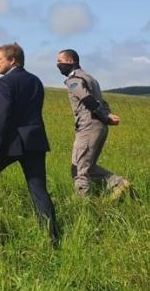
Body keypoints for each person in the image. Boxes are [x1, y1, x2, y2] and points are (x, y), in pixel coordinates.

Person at [0, 43, 59, 245]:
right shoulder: (36, 81)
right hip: (35, 142)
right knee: (38, 189)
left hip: (12, 142)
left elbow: (4, 115)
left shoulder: (6, 82)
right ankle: (52, 237)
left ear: (12, 60)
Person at [56, 49, 130, 198]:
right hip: (98, 126)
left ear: (70, 61)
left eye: (59, 61)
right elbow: (102, 102)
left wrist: (105, 117)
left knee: (79, 170)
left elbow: (87, 100)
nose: (57, 65)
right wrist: (107, 115)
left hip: (88, 127)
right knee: (87, 167)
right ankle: (116, 183)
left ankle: (84, 207)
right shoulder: (90, 78)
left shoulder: (73, 80)